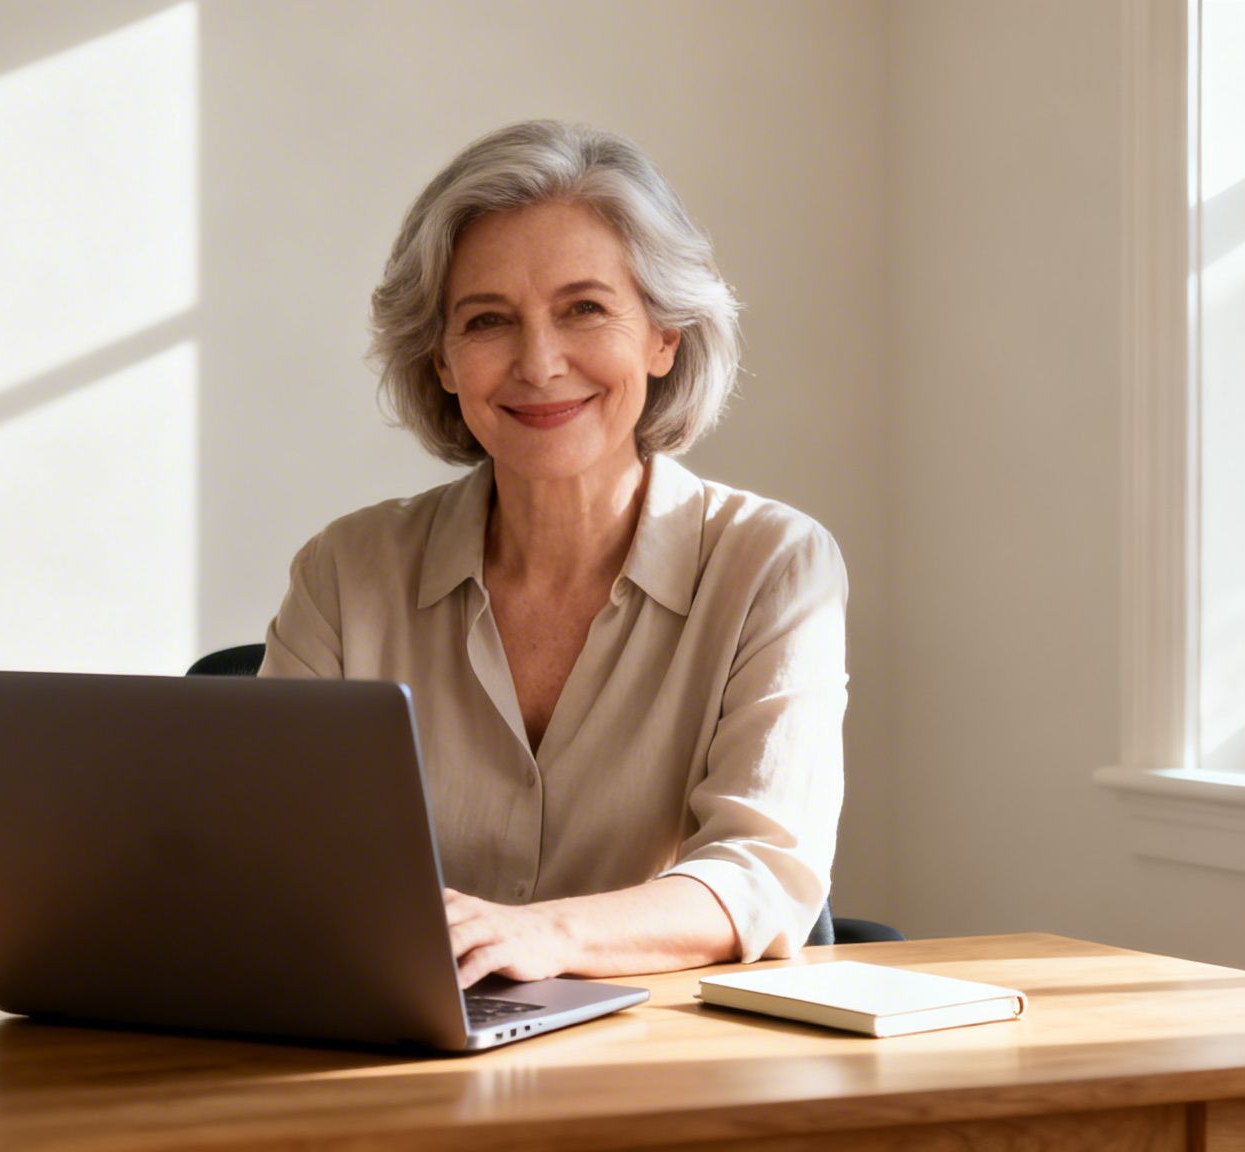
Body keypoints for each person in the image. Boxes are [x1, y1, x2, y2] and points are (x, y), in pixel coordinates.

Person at [261, 120, 846, 989]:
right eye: (488, 321)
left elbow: (762, 872)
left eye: (585, 309)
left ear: (663, 337)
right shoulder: (346, 572)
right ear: (445, 363)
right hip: (390, 1057)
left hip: (660, 1066)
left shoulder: (773, 566)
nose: (538, 363)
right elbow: (267, 860)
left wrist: (546, 936)